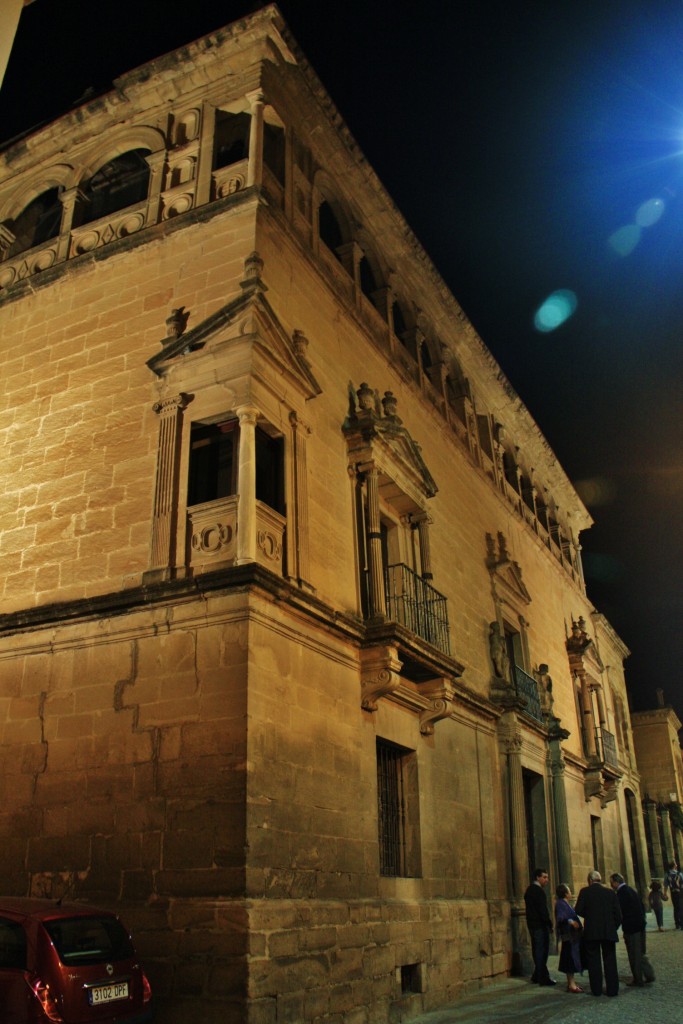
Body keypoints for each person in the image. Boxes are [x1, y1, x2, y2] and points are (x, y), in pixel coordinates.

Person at [574, 870, 622, 997]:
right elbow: (618, 915)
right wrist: (613, 927)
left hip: (592, 932)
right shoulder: (610, 893)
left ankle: (596, 989)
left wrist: (590, 916)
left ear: (589, 880)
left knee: (593, 960)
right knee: (610, 961)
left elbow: (578, 910)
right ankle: (612, 990)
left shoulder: (585, 892)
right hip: (608, 931)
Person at [609, 872, 655, 987]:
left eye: (611, 882)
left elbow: (619, 913)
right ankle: (649, 975)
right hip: (640, 926)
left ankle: (638, 979)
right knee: (640, 952)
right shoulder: (631, 890)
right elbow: (642, 906)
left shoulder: (621, 894)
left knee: (634, 955)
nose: (611, 885)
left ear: (615, 882)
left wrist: (614, 927)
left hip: (632, 928)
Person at [524, 868, 556, 986]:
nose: (546, 880)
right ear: (537, 877)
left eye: (547, 877)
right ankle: (542, 977)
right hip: (539, 925)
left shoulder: (529, 890)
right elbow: (542, 910)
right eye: (544, 877)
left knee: (537, 949)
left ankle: (537, 975)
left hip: (532, 924)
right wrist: (548, 923)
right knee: (541, 950)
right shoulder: (538, 891)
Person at [554, 883, 584, 992]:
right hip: (568, 937)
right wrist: (571, 922)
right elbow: (561, 918)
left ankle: (571, 983)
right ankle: (571, 985)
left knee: (570, 959)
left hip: (571, 936)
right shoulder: (561, 904)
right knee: (570, 960)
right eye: (569, 891)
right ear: (566, 893)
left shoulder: (564, 903)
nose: (571, 893)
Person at [663, 860, 683, 929]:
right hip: (680, 892)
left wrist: (665, 893)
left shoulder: (667, 874)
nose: (677, 865)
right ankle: (681, 923)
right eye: (676, 864)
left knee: (676, 908)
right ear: (674, 866)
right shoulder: (679, 873)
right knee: (680, 907)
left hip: (673, 892)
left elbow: (665, 885)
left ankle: (677, 923)